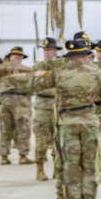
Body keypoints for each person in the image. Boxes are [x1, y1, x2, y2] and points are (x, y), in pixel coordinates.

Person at [32, 34, 101, 199]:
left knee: (70, 164)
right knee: (89, 164)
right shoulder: (99, 73)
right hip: (89, 121)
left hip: (67, 122)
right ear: (85, 55)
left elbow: (35, 85)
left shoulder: (59, 72)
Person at [0, 47, 33, 165]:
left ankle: (15, 156)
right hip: (14, 100)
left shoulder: (25, 69)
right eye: (15, 56)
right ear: (10, 57)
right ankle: (12, 156)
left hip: (14, 100)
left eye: (19, 56)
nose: (17, 58)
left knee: (16, 129)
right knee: (12, 128)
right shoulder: (5, 69)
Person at [31, 38, 61, 183]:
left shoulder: (62, 65)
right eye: (45, 50)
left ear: (56, 50)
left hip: (58, 105)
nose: (47, 53)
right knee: (41, 140)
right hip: (42, 106)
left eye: (50, 50)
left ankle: (58, 169)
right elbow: (33, 85)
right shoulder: (38, 66)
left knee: (59, 140)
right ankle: (40, 169)